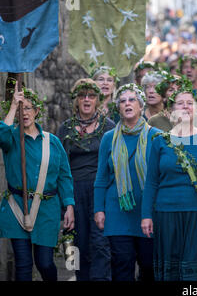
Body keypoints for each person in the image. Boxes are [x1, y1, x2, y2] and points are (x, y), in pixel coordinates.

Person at [141, 87, 197, 281]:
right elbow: (151, 182)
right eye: (180, 103)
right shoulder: (160, 142)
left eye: (189, 103)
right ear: (170, 111)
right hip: (166, 213)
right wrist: (146, 215)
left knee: (195, 274)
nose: (185, 107)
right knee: (171, 273)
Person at [0, 81, 75, 281]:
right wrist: (14, 104)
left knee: (45, 263)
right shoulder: (12, 139)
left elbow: (64, 176)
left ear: (37, 111)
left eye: (28, 108)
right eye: (20, 109)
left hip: (47, 209)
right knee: (23, 265)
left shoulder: (53, 142)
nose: (24, 113)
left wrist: (69, 205)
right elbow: (1, 134)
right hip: (18, 207)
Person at [94, 83, 160, 281]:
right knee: (122, 265)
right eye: (122, 101)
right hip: (117, 211)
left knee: (149, 266)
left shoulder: (155, 136)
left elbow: (162, 175)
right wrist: (99, 209)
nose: (127, 104)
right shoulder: (108, 138)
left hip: (147, 211)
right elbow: (101, 177)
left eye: (132, 100)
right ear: (118, 108)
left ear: (141, 106)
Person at [56, 78, 115, 281]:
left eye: (91, 95)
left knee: (100, 242)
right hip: (75, 190)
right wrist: (67, 204)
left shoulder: (109, 127)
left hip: (101, 190)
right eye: (82, 95)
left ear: (98, 99)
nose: (87, 99)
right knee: (78, 244)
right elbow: (61, 168)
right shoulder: (65, 129)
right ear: (76, 100)